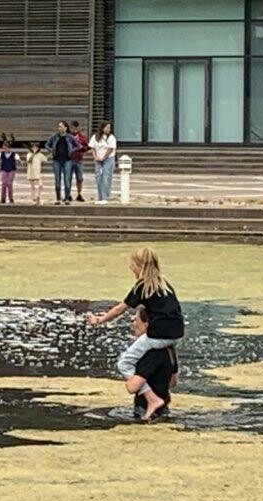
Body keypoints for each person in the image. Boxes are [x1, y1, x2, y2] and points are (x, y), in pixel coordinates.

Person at [86, 247, 184, 420]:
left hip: (157, 335)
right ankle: (159, 398)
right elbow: (173, 382)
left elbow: (119, 309)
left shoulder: (142, 286)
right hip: (176, 334)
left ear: (139, 266)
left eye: (132, 264)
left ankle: (152, 399)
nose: (130, 268)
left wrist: (99, 320)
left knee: (124, 363)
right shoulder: (164, 284)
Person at [125, 306, 179, 422]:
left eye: (136, 320)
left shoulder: (151, 353)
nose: (133, 323)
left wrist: (129, 376)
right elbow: (172, 382)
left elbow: (132, 387)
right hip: (164, 409)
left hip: (146, 411)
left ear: (147, 325)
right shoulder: (170, 349)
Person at [45, 121, 80, 205]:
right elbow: (46, 145)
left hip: (67, 160)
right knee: (57, 179)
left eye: (61, 126)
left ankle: (67, 198)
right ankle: (58, 198)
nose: (59, 128)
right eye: (58, 126)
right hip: (56, 160)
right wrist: (51, 150)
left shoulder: (70, 137)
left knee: (67, 179)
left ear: (65, 128)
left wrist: (71, 151)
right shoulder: (54, 136)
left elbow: (79, 146)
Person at [88, 121, 118, 205]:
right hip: (98, 159)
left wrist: (103, 157)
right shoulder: (95, 137)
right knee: (98, 177)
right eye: (107, 127)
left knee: (106, 177)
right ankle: (100, 197)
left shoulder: (111, 137)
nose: (109, 129)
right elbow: (92, 148)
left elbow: (111, 149)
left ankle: (105, 197)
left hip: (108, 158)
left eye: (109, 128)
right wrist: (95, 157)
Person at [0, 135, 21, 204]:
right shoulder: (1, 154)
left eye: (7, 148)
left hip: (12, 170)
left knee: (9, 183)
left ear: (10, 148)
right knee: (4, 183)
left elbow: (19, 160)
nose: (6, 149)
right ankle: (3, 198)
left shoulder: (14, 154)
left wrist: (20, 162)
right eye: (4, 148)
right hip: (4, 169)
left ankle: (11, 198)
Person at [69, 121, 90, 202]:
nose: (74, 129)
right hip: (69, 160)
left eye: (76, 128)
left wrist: (81, 148)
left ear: (78, 128)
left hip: (79, 160)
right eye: (73, 128)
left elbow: (87, 147)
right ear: (70, 128)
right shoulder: (67, 137)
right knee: (68, 178)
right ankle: (68, 194)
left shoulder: (82, 137)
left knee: (79, 178)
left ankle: (79, 194)